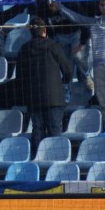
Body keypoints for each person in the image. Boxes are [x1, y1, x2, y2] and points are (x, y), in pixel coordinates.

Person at [16, 17, 73, 152]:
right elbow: (67, 70)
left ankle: (38, 158)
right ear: (44, 31)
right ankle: (56, 158)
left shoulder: (24, 49)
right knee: (54, 129)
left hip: (33, 98)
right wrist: (64, 81)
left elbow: (19, 77)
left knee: (38, 129)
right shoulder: (53, 46)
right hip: (54, 97)